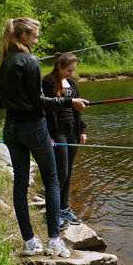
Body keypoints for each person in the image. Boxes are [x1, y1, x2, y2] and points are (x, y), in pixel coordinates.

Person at [0, 17, 89, 257]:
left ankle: (29, 242)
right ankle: (54, 240)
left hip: (11, 128)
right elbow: (39, 101)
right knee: (52, 180)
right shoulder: (30, 61)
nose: (37, 40)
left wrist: (14, 104)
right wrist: (69, 101)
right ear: (24, 37)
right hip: (34, 127)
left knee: (20, 184)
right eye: (35, 36)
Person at [42, 52, 86, 230]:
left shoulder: (72, 83)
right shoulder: (47, 82)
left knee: (68, 173)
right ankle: (51, 214)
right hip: (57, 132)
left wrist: (82, 130)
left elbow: (77, 110)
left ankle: (64, 208)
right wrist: (48, 135)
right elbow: (43, 109)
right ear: (59, 66)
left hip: (72, 132)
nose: (71, 73)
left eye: (73, 70)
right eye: (69, 70)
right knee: (60, 173)